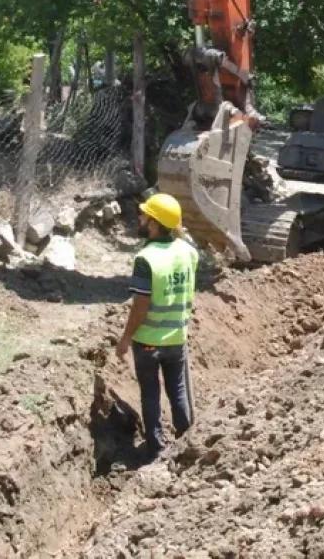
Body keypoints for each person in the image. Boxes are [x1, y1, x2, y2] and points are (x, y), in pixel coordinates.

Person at [116, 193, 199, 459]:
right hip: (177, 337)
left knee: (150, 393)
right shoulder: (189, 252)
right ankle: (186, 441)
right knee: (178, 389)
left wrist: (126, 338)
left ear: (154, 224)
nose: (140, 219)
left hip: (149, 339)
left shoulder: (146, 258)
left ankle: (156, 449)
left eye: (144, 216)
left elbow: (141, 304)